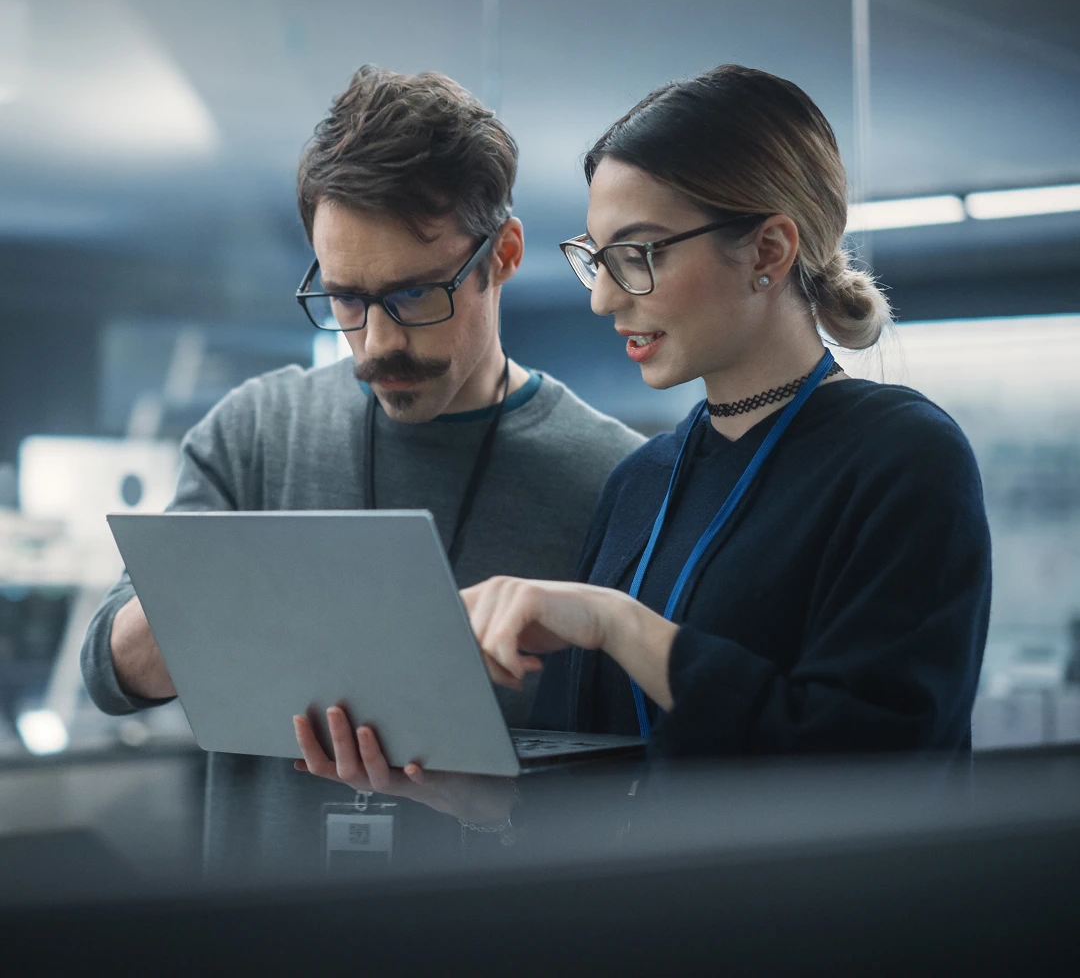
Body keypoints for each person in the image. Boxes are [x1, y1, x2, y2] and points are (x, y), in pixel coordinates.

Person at [299, 64, 992, 812]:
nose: (602, 298)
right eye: (599, 260)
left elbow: (876, 770)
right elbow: (599, 790)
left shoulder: (902, 458)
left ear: (768, 250)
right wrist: (477, 795)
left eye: (639, 255)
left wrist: (618, 625)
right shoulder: (642, 481)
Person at [80, 65, 643, 873]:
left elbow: (636, 796)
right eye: (346, 299)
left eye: (414, 297)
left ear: (504, 255)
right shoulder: (256, 431)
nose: (377, 344)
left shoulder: (615, 479)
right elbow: (108, 672)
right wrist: (241, 592)